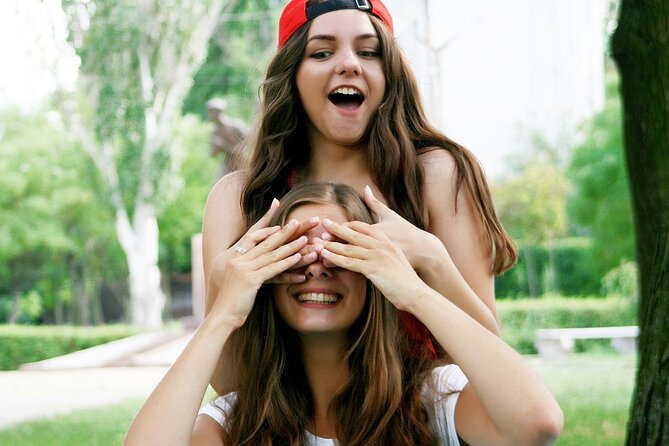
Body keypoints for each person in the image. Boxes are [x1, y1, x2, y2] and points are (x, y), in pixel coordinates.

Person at [202, 0, 517, 393]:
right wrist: (223, 283)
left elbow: (492, 361)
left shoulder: (436, 176)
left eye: (369, 52)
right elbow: (230, 385)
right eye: (322, 53)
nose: (350, 64)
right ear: (292, 75)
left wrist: (430, 257)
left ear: (389, 73)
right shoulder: (238, 199)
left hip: (419, 418)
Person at [125, 182, 562, 446]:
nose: (318, 266)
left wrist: (414, 288)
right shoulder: (237, 422)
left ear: (376, 274)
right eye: (296, 252)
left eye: (341, 250)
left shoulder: (433, 400)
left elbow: (538, 424)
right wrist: (222, 314)